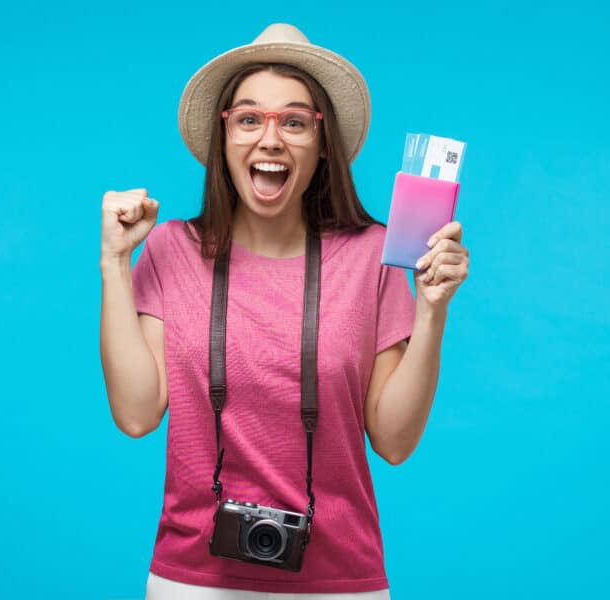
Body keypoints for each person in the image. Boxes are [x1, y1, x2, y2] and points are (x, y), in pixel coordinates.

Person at [99, 23, 469, 600]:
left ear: (322, 145)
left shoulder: (374, 255)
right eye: (249, 119)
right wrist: (115, 264)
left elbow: (394, 443)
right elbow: (137, 414)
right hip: (192, 579)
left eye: (294, 122)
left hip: (341, 580)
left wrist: (431, 312)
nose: (270, 139)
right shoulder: (173, 247)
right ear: (225, 137)